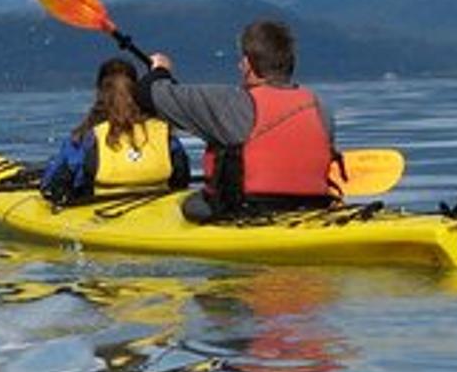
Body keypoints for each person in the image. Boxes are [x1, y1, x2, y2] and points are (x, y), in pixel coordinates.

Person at [137, 18, 337, 223]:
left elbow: (147, 95)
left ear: (248, 64)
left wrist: (160, 69)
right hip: (315, 207)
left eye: (242, 60)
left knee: (189, 204)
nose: (240, 65)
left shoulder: (231, 103)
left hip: (246, 210)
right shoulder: (319, 107)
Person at [39, 58, 191, 206]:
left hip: (99, 208)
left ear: (100, 93)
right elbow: (182, 179)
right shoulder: (164, 134)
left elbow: (52, 186)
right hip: (160, 208)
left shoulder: (85, 138)